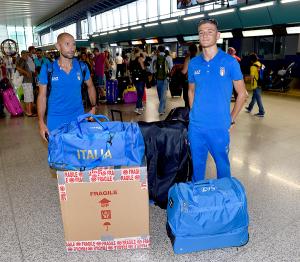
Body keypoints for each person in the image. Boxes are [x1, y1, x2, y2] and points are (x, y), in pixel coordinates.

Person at [188, 18, 248, 182]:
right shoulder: (194, 63)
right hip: (196, 126)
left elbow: (242, 94)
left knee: (223, 167)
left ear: (218, 35)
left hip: (219, 126)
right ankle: (198, 201)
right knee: (197, 168)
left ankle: (225, 201)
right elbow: (191, 90)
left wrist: (231, 119)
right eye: (201, 32)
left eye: (210, 31)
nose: (205, 35)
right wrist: (194, 113)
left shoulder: (229, 62)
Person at [37, 33, 96, 141]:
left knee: (78, 154)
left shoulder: (82, 67)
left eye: (73, 44)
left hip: (78, 117)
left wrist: (93, 107)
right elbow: (42, 96)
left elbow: (91, 86)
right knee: (59, 155)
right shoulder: (48, 69)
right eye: (67, 44)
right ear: (58, 46)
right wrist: (41, 123)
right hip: (56, 119)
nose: (72, 48)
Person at [153, 45, 173, 115]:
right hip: (165, 78)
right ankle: (161, 109)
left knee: (159, 93)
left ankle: (162, 108)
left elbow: (152, 69)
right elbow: (171, 68)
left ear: (158, 50)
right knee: (163, 94)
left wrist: (154, 74)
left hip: (157, 78)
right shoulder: (168, 58)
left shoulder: (155, 57)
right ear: (164, 50)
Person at [16, 51, 36, 117]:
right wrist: (26, 73)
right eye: (26, 55)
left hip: (27, 82)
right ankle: (29, 112)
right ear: (23, 55)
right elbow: (18, 68)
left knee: (29, 97)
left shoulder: (23, 60)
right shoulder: (22, 60)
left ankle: (29, 111)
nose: (27, 56)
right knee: (28, 97)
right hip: (26, 81)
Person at [245, 53, 265, 117]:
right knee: (254, 97)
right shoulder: (260, 64)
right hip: (260, 83)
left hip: (255, 84)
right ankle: (250, 108)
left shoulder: (253, 67)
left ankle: (261, 111)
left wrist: (246, 78)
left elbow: (252, 77)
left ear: (251, 60)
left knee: (258, 98)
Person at [181, 44, 198, 108]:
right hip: (198, 83)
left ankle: (188, 115)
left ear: (189, 50)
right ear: (196, 51)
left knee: (188, 100)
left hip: (189, 82)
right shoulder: (199, 59)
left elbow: (184, 71)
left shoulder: (188, 59)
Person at [131, 49, 146, 115]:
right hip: (141, 78)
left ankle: (140, 106)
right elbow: (143, 68)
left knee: (139, 92)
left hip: (134, 78)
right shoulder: (140, 59)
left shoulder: (131, 59)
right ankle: (137, 108)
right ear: (139, 52)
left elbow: (129, 70)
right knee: (140, 93)